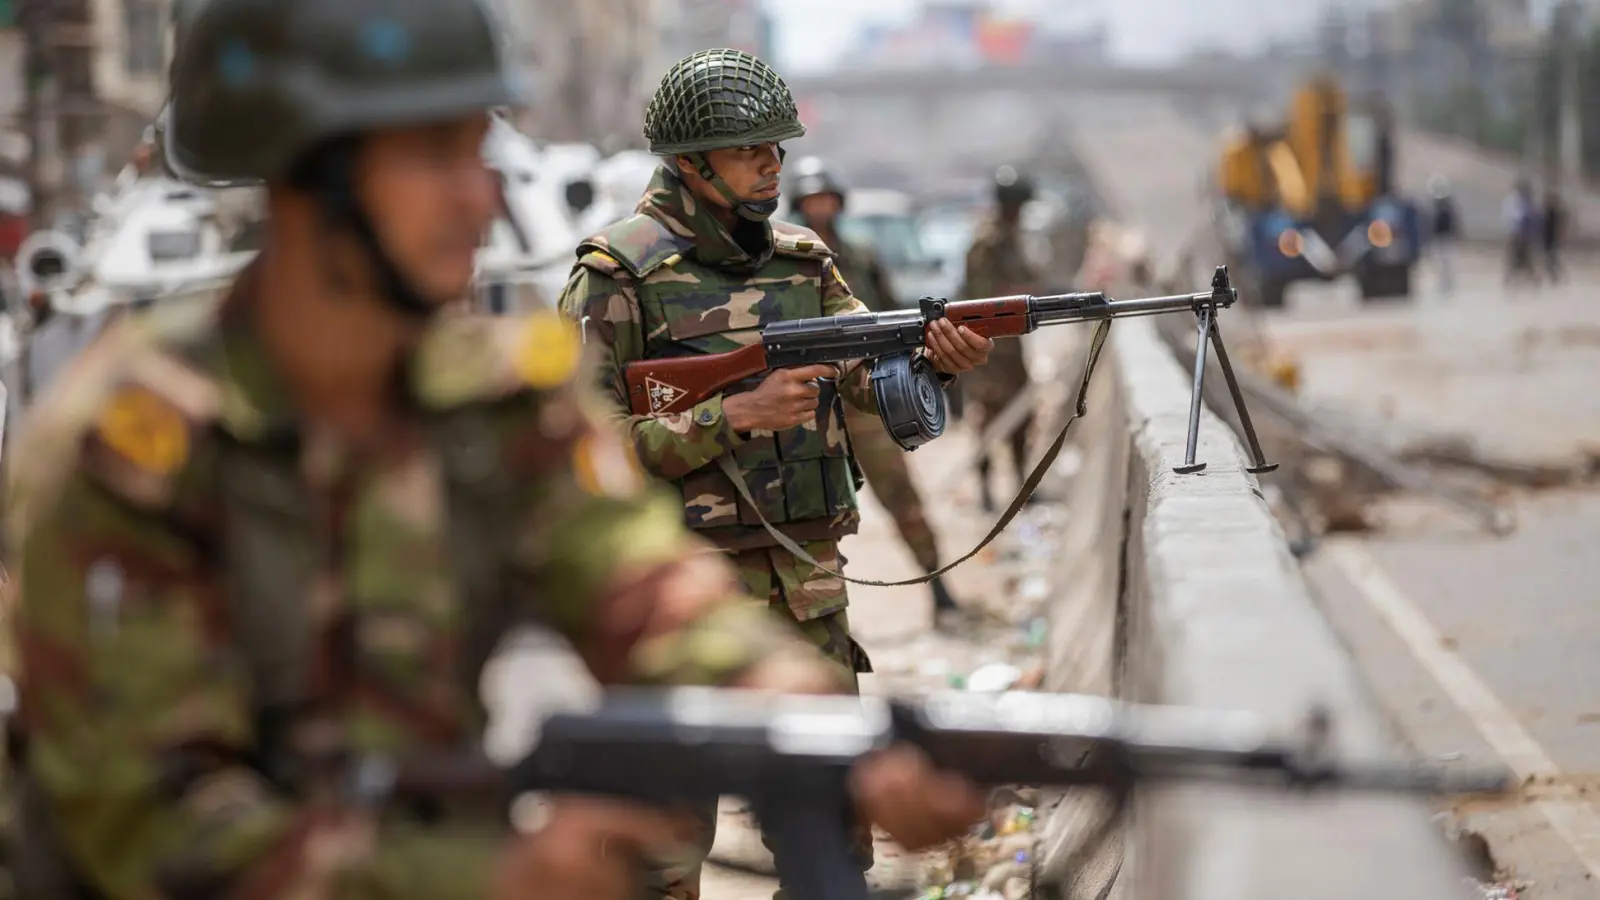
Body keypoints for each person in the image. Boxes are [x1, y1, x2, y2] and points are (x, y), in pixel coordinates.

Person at [2, 8, 988, 900]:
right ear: (311, 177)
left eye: (478, 151)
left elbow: (637, 581)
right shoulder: (126, 448)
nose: (481, 199)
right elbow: (148, 818)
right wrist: (491, 874)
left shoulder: (492, 397)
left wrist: (804, 721)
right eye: (434, 156)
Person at [556, 47, 994, 898]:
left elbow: (872, 373)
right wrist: (730, 416)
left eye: (776, 149)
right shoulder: (617, 276)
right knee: (662, 855)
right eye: (749, 150)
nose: (772, 167)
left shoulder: (804, 260)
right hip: (674, 598)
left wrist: (935, 362)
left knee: (830, 836)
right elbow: (579, 454)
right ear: (691, 164)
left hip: (806, 590)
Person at [786, 155, 962, 619]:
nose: (820, 209)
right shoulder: (785, 263)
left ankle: (936, 584)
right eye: (811, 201)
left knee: (900, 494)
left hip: (860, 393)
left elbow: (889, 316)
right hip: (804, 402)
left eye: (826, 199)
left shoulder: (859, 255)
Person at [961, 165, 1039, 513]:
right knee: (989, 419)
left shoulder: (1012, 239)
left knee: (1022, 415)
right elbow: (978, 295)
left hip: (1012, 345)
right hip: (989, 347)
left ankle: (1023, 483)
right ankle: (986, 492)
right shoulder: (987, 242)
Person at [1427, 174, 1459, 296]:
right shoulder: (1433, 208)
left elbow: (1454, 223)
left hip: (1447, 239)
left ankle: (1448, 285)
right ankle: (1442, 285)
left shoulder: (1449, 207)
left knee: (1448, 264)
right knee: (1440, 264)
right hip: (1438, 239)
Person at [1504, 176, 1538, 286]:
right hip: (1518, 234)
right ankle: (1511, 280)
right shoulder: (1515, 200)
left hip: (1523, 234)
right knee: (1516, 258)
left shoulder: (1526, 200)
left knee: (1525, 258)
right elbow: (1514, 219)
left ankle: (1531, 279)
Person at [1541, 184, 1567, 284]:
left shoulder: (1555, 213)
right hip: (1547, 238)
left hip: (1552, 239)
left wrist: (1561, 238)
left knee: (1552, 259)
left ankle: (1556, 277)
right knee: (1550, 259)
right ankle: (1554, 277)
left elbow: (1559, 227)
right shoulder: (1547, 212)